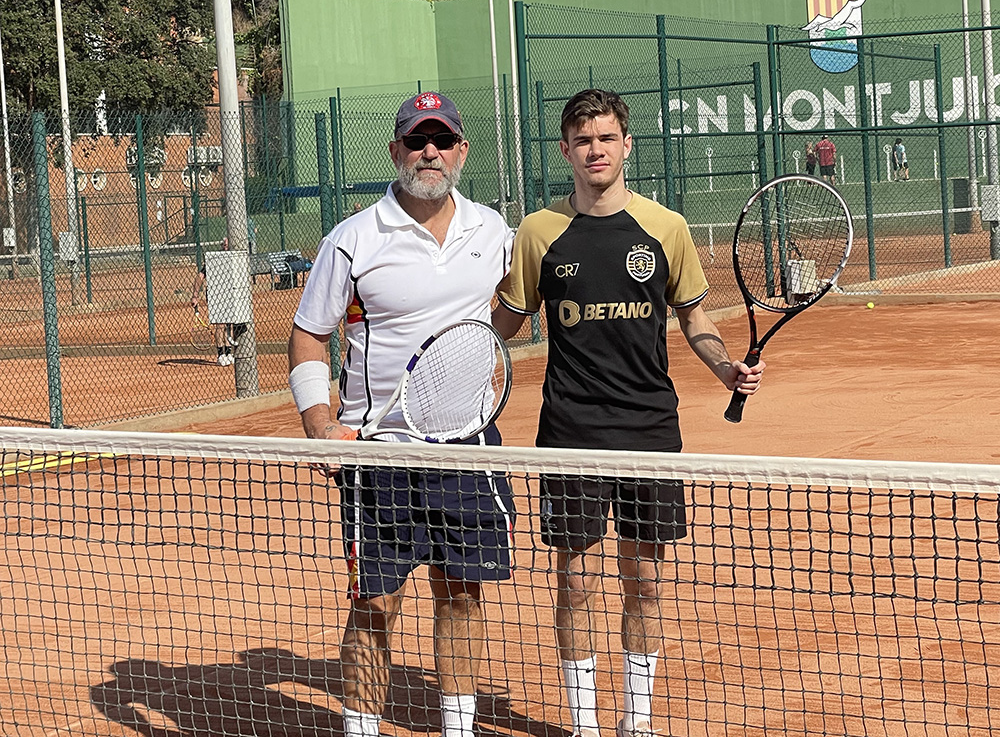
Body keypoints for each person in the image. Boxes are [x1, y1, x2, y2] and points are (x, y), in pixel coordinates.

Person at [491, 89, 764, 737]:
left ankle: (635, 721)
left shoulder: (666, 228)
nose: (596, 150)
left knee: (645, 579)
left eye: (607, 138)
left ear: (626, 145)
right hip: (570, 431)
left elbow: (695, 320)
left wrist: (725, 368)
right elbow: (502, 324)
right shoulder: (537, 232)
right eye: (584, 140)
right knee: (576, 581)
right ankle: (584, 724)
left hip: (649, 428)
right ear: (566, 149)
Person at [287, 91, 515, 737]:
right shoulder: (353, 239)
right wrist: (319, 424)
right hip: (378, 451)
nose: (429, 152)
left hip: (468, 446)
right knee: (375, 603)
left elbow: (511, 305)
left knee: (462, 594)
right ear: (396, 151)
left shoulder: (493, 232)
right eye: (417, 141)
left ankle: (458, 728)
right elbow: (309, 335)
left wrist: (483, 348)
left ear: (462, 151)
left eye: (441, 140)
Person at [191, 237, 235, 366]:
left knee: (229, 325)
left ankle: (229, 353)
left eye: (227, 244)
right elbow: (200, 276)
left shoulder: (234, 258)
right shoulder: (214, 259)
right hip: (215, 295)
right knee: (220, 325)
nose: (225, 246)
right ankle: (221, 354)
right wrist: (195, 296)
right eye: (224, 244)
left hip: (230, 294)